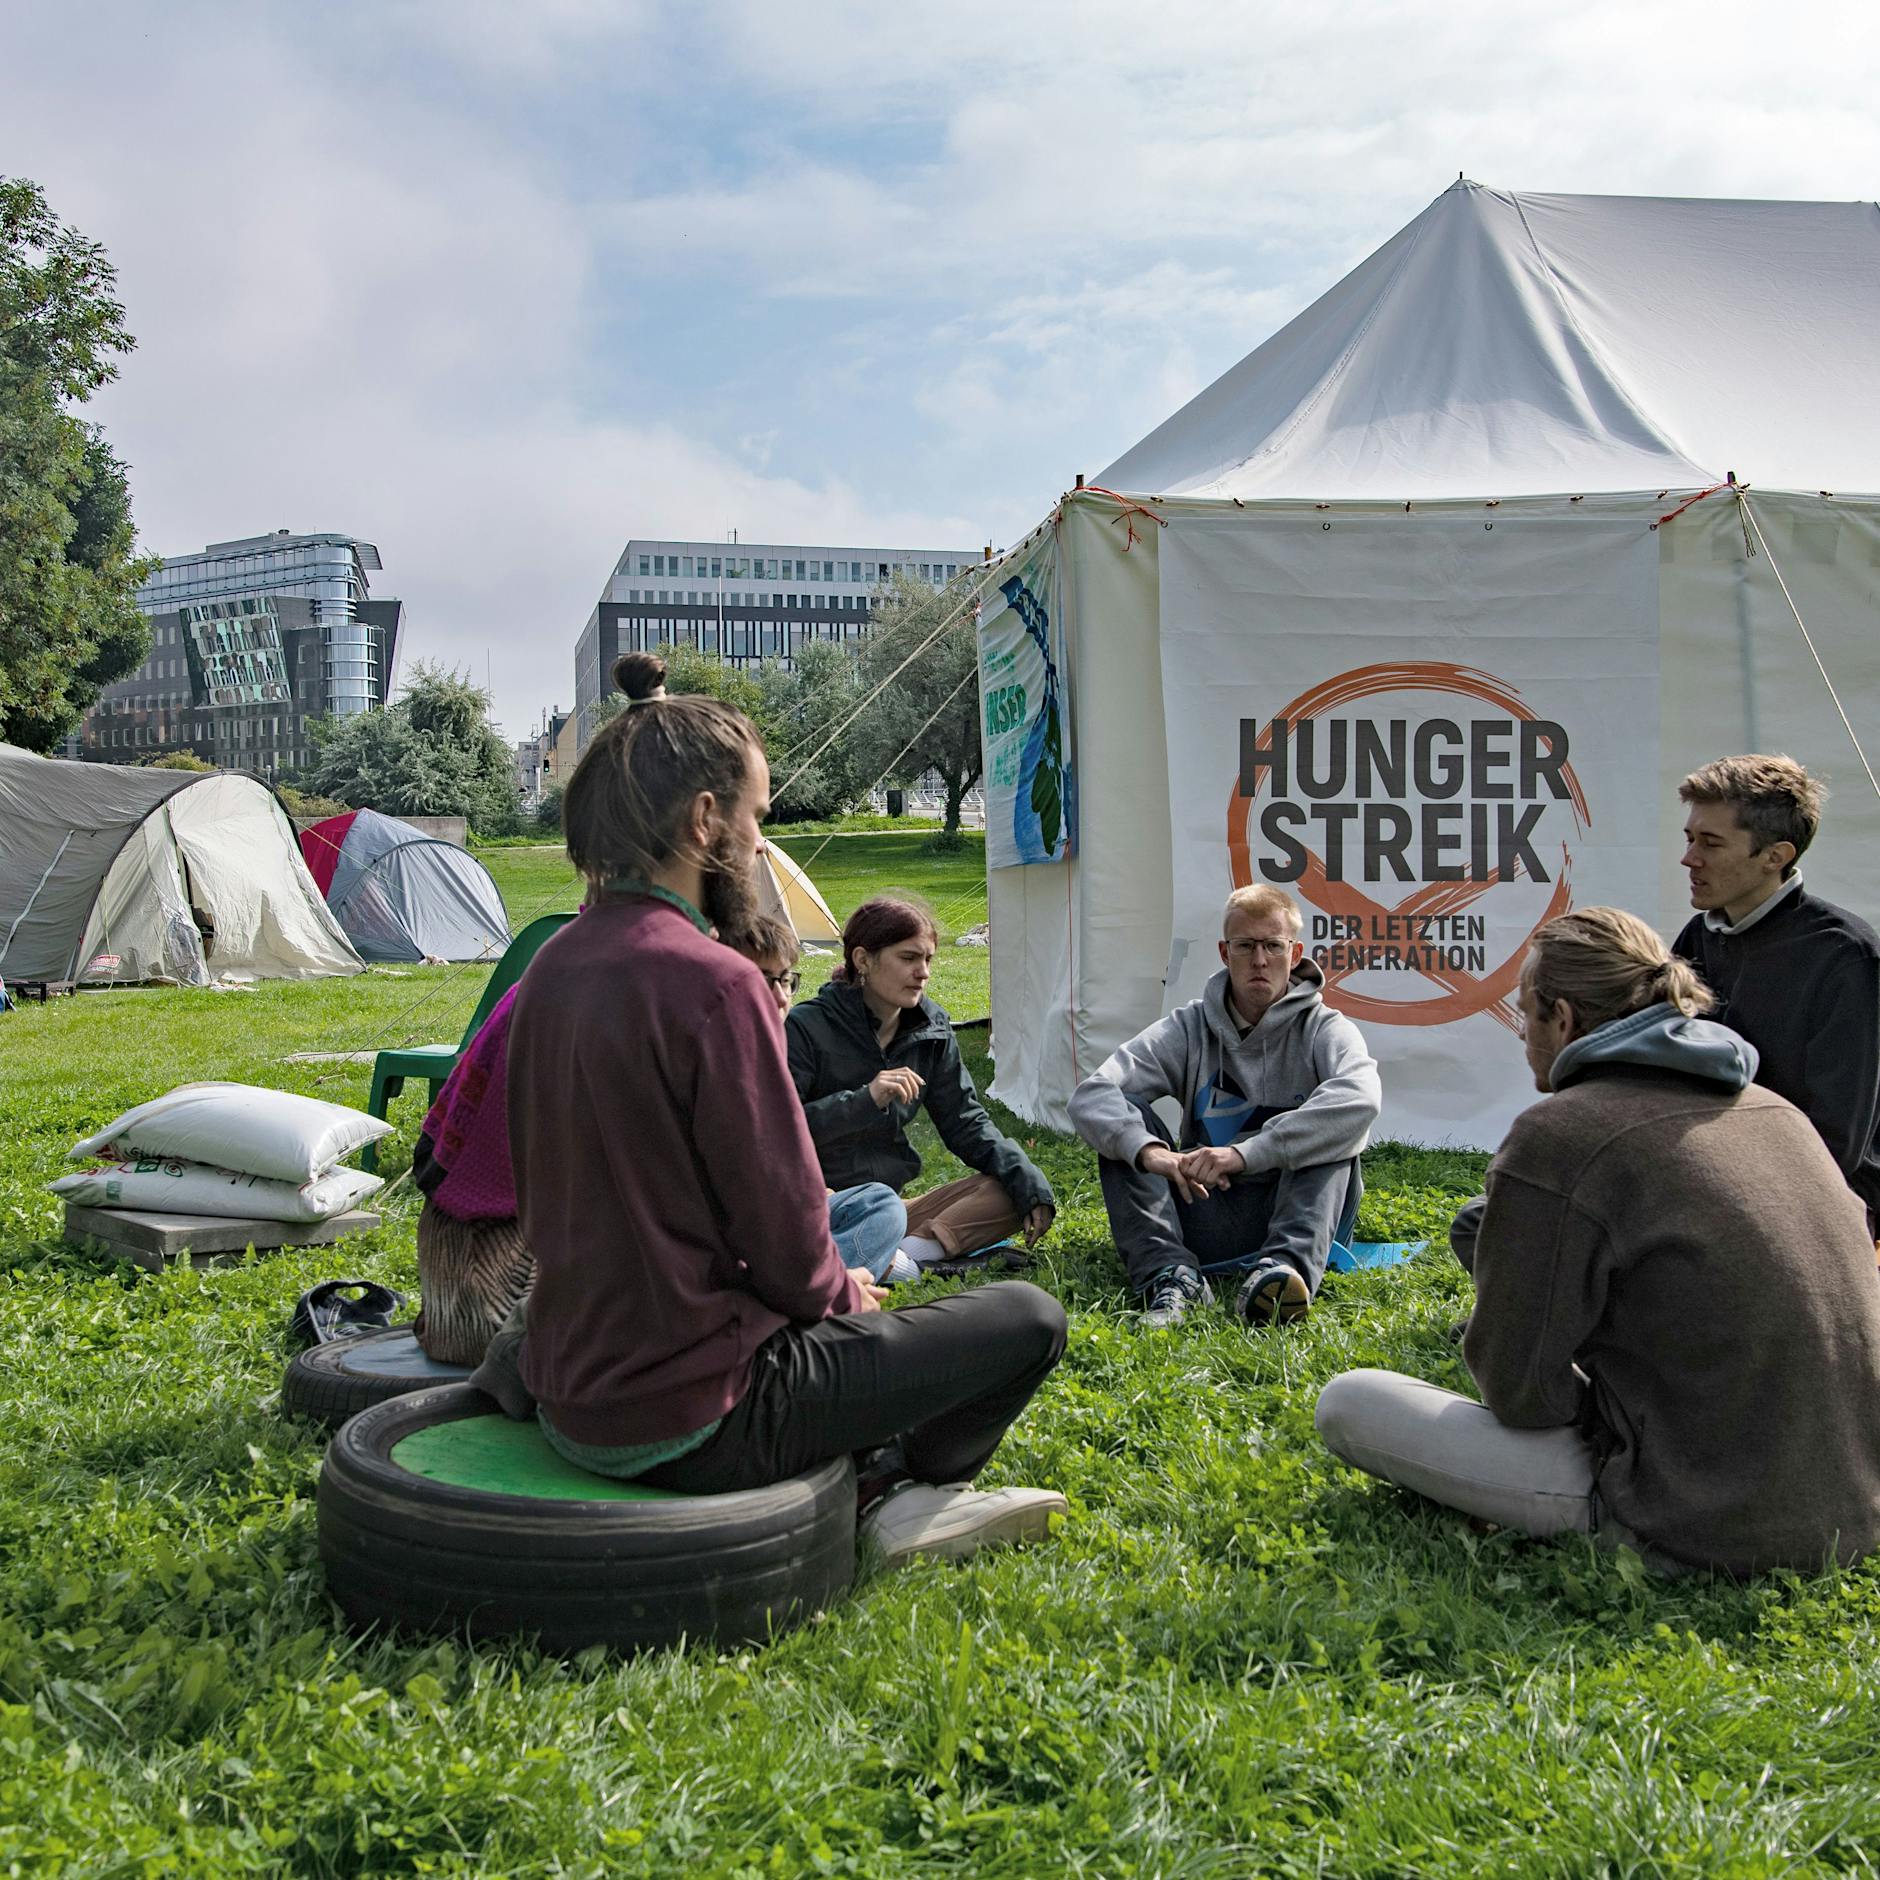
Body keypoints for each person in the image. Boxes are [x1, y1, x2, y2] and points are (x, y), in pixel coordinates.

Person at [501, 688, 1068, 1568]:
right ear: (703, 821)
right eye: (757, 819)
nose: (760, 846)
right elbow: (785, 1241)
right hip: (698, 1413)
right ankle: (892, 1487)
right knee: (1027, 1317)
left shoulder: (548, 971)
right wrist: (846, 1300)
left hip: (569, 1392)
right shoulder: (715, 983)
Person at [1316, 907, 1880, 1577]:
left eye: (1526, 1017)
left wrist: (1596, 1396)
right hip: (1855, 1504)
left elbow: (1522, 1394)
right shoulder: (1774, 1109)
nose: (1523, 1036)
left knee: (1349, 1403)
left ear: (1563, 1019)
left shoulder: (1560, 1135)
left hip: (1703, 1519)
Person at [1068, 884, 1381, 1330]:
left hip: (1301, 1212)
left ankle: (1281, 1277)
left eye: (1273, 945)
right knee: (1125, 1125)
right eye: (1245, 946)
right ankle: (1172, 1278)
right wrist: (1152, 1153)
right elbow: (1094, 1093)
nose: (1259, 960)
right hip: (1209, 1205)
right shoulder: (1189, 1026)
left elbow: (1361, 1099)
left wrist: (1242, 1154)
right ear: (1224, 952)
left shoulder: (1325, 1028)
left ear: (1294, 955)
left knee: (1332, 1131)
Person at [785, 898, 1057, 1272]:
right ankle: (891, 1258)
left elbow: (965, 1121)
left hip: (894, 1209)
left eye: (927, 959)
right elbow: (780, 1130)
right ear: (863, 959)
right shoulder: (806, 1027)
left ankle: (907, 1260)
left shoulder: (931, 1029)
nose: (923, 972)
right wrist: (866, 1100)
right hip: (822, 1205)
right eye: (908, 958)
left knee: (1008, 1191)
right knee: (879, 1207)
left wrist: (1025, 1178)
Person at [1672, 753, 1880, 1232]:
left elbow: (1838, 1141)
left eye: (1711, 842)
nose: (1689, 858)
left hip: (1816, 1202)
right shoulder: (1697, 937)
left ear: (1775, 857)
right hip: (1701, 1176)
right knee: (1488, 1221)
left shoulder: (1845, 956)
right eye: (1689, 838)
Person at [723, 911, 918, 1286]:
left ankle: (832, 1272)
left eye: (786, 981)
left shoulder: (777, 1048)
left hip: (793, 1208)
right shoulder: (721, 1057)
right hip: (745, 1222)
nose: (781, 996)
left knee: (881, 1204)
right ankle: (831, 1282)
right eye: (763, 981)